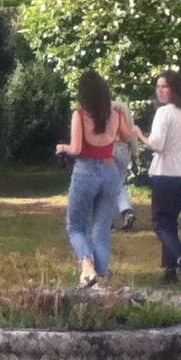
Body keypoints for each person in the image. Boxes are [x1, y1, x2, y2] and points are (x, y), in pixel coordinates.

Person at [56, 71, 132, 288]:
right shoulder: (115, 115)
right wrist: (124, 117)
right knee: (101, 228)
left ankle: (87, 267)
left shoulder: (80, 115)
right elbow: (127, 136)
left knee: (76, 226)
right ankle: (102, 279)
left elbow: (77, 148)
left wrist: (61, 148)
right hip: (110, 173)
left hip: (85, 172)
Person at [134, 70, 181, 290]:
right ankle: (170, 270)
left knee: (160, 224)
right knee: (171, 222)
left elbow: (157, 145)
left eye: (164, 86)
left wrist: (139, 134)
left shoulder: (164, 113)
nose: (160, 91)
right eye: (158, 87)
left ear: (174, 89)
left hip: (165, 172)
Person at [112, 99, 137, 231]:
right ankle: (127, 211)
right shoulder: (122, 107)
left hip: (106, 149)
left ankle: (107, 221)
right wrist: (135, 153)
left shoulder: (96, 107)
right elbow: (131, 131)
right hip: (123, 148)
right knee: (119, 183)